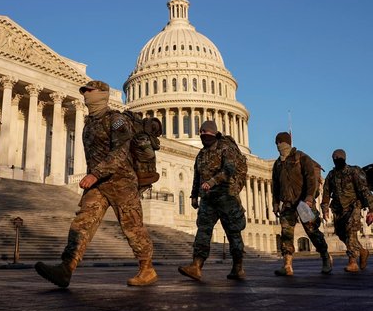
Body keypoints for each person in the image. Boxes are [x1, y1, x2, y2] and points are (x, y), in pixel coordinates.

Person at [35, 80, 157, 287]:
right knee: (82, 222)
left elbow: (121, 150)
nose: (85, 95)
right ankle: (66, 267)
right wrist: (95, 176)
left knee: (132, 226)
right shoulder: (89, 123)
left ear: (102, 94)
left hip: (121, 181)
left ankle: (147, 269)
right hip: (99, 183)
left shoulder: (117, 120)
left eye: (89, 91)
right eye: (84, 91)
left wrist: (95, 173)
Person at [178, 121, 247, 281]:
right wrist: (194, 195)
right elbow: (197, 176)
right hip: (208, 199)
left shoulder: (225, 148)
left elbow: (229, 169)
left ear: (214, 133)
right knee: (203, 231)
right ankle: (196, 266)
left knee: (233, 232)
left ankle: (238, 266)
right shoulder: (201, 154)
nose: (203, 135)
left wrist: (213, 182)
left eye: (206, 132)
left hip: (226, 196)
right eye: (201, 132)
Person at [271, 132, 332, 276]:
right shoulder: (278, 163)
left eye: (280, 142)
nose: (279, 146)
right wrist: (275, 202)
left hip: (303, 202)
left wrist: (309, 197)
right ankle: (287, 265)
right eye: (277, 143)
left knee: (312, 231)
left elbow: (311, 178)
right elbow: (275, 185)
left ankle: (325, 258)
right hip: (287, 204)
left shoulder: (301, 157)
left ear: (287, 143)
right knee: (286, 234)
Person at [321, 149, 373, 273]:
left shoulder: (354, 171)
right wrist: (325, 209)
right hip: (338, 209)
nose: (337, 159)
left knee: (350, 232)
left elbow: (364, 190)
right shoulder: (331, 175)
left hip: (353, 207)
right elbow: (326, 193)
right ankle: (362, 251)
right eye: (335, 158)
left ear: (345, 158)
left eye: (339, 157)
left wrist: (372, 209)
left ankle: (352, 261)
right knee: (342, 234)